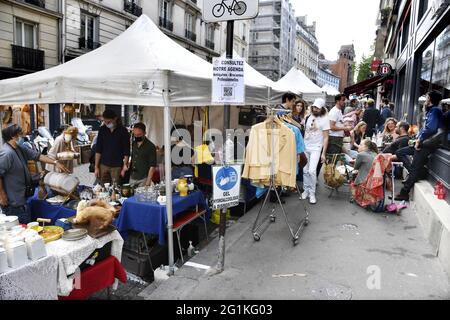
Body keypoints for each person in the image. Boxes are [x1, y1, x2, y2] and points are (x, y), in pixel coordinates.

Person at [0, 125, 69, 224]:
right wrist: (2, 195)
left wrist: (55, 163)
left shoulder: (19, 147)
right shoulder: (7, 153)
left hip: (22, 199)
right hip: (13, 203)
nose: (22, 136)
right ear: (12, 136)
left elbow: (37, 156)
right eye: (20, 134)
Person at [395, 90, 445, 201]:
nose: (425, 100)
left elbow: (431, 128)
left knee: (414, 167)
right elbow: (426, 128)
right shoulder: (431, 111)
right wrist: (416, 139)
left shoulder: (435, 110)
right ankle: (417, 174)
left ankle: (404, 193)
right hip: (422, 143)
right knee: (400, 152)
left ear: (430, 100)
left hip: (425, 144)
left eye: (427, 98)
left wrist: (419, 140)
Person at [302, 98, 330, 204]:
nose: (315, 109)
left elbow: (326, 137)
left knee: (312, 171)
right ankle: (306, 190)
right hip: (305, 146)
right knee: (305, 170)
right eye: (314, 107)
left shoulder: (325, 119)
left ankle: (312, 193)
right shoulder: (308, 116)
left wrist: (323, 153)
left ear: (322, 108)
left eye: (317, 108)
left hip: (316, 148)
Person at [94, 109, 131, 184]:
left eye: (109, 121)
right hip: (103, 164)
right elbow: (98, 150)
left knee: (115, 187)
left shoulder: (123, 131)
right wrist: (96, 167)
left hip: (117, 166)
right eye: (105, 121)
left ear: (115, 119)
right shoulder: (102, 130)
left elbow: (126, 150)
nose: (107, 123)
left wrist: (124, 166)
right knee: (102, 187)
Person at [128, 123, 157, 188]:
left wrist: (148, 182)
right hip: (132, 177)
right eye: (135, 135)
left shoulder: (150, 146)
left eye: (139, 134)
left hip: (143, 179)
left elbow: (152, 166)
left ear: (145, 133)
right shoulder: (133, 143)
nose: (137, 136)